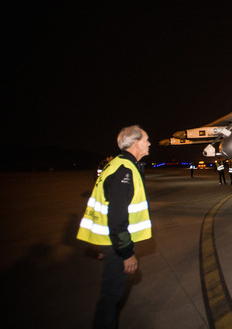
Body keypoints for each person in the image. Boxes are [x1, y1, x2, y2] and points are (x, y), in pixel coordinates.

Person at [77, 125, 153, 328]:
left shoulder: (117, 165)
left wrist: (100, 245)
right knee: (110, 299)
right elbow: (117, 218)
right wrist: (126, 253)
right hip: (117, 247)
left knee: (110, 297)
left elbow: (102, 208)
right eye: (146, 139)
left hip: (109, 243)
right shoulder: (124, 171)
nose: (149, 143)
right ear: (136, 143)